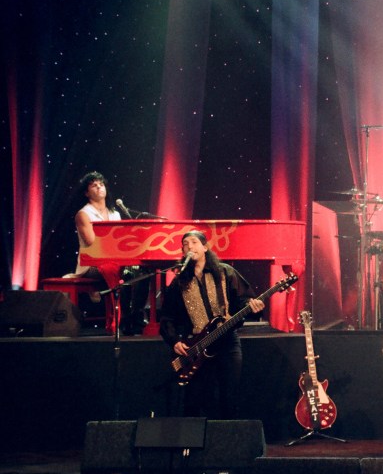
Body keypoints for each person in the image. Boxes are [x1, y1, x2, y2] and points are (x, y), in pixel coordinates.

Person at [159, 230, 264, 419]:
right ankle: (195, 445)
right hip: (198, 345)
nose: (189, 246)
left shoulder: (225, 272)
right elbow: (167, 317)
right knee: (197, 399)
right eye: (185, 244)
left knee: (229, 394)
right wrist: (174, 340)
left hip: (227, 342)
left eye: (193, 242)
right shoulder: (179, 282)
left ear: (205, 247)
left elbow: (244, 299)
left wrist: (251, 305)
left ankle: (229, 440)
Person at [68, 171, 147, 334]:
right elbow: (92, 243)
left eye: (101, 184)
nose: (99, 187)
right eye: (94, 185)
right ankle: (117, 318)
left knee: (141, 270)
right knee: (113, 269)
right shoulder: (84, 214)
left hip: (114, 259)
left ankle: (135, 315)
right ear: (86, 192)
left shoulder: (115, 213)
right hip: (91, 264)